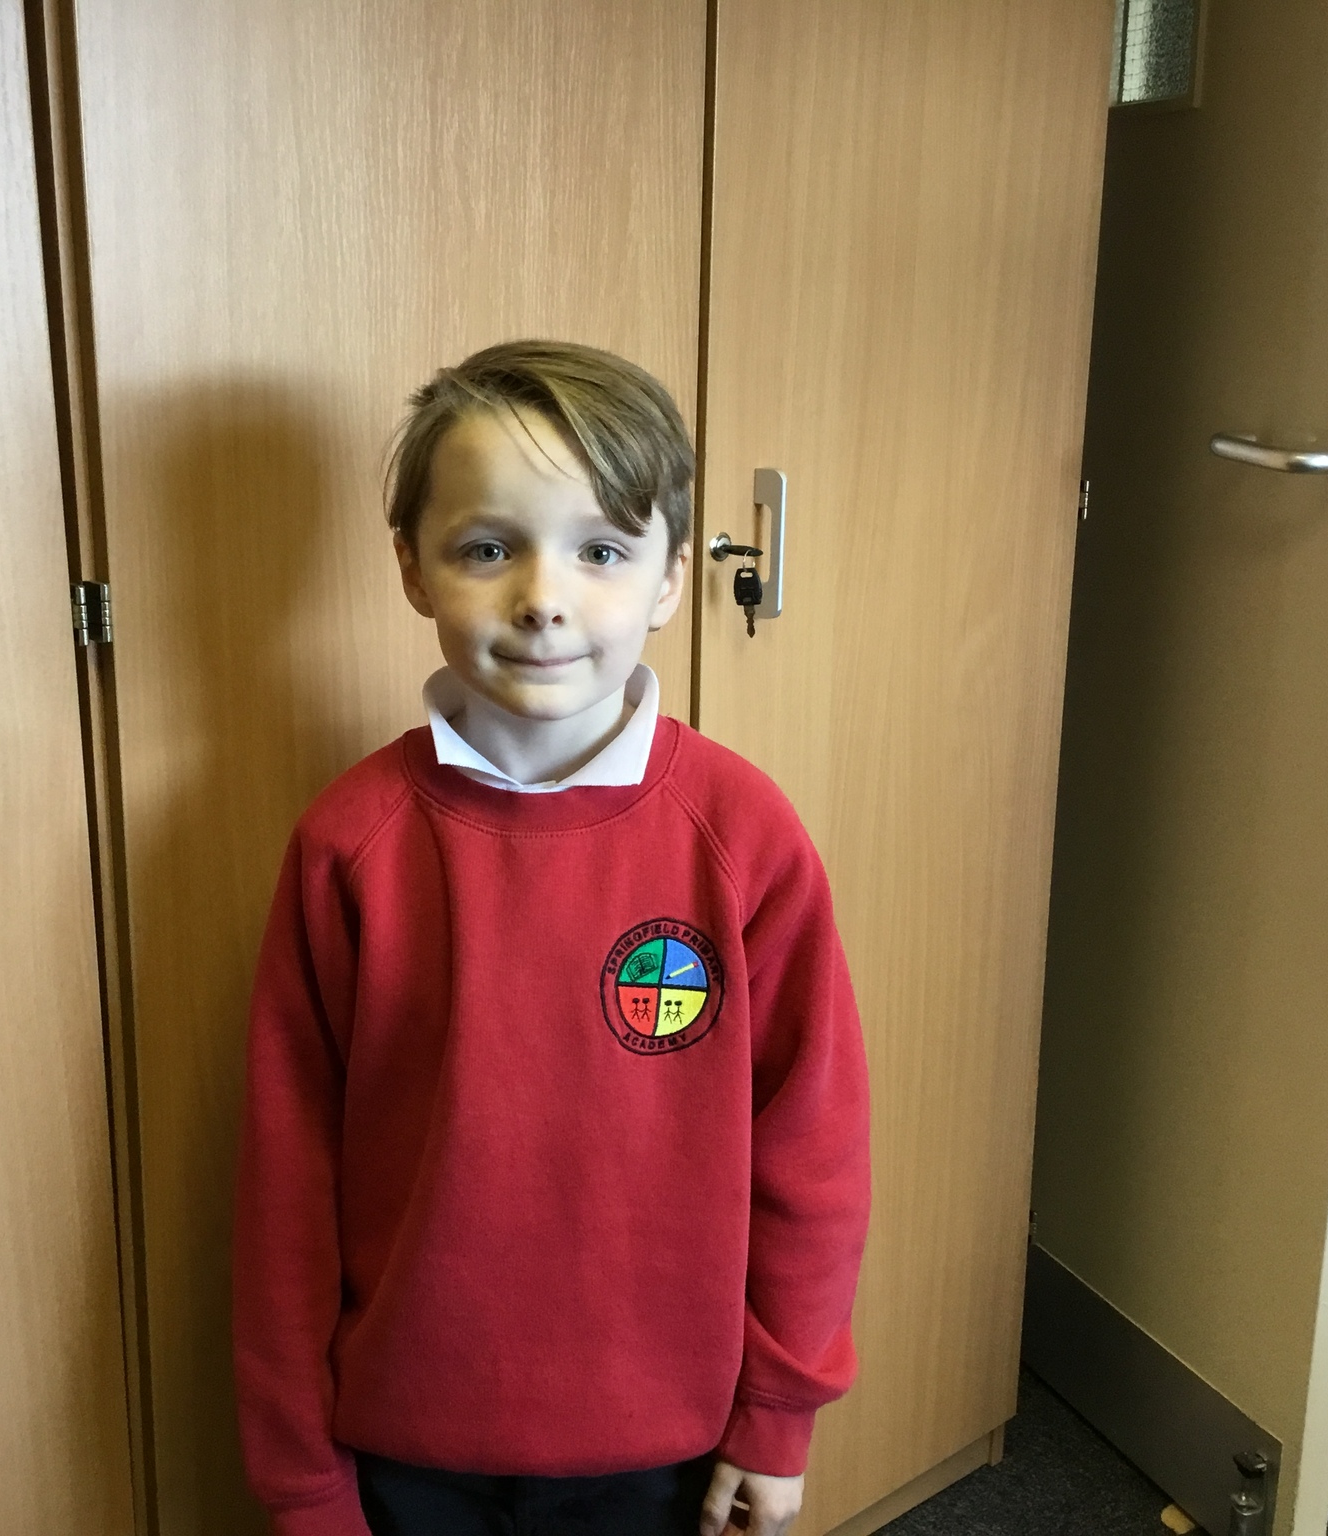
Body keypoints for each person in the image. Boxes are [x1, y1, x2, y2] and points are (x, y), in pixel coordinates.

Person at [233, 340, 872, 1536]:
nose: (543, 596)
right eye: (487, 548)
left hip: (666, 1449)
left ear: (671, 577)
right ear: (413, 569)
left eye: (601, 551)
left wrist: (778, 1411)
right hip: (402, 1446)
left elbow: (811, 1149)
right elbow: (284, 1184)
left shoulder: (741, 835)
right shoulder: (348, 845)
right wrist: (299, 1478)